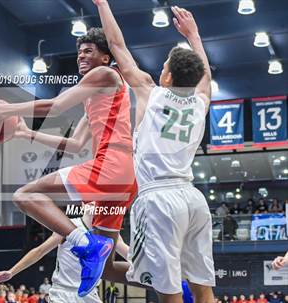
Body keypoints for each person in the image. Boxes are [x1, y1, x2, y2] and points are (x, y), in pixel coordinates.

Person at [0, 26, 137, 295]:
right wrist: (28, 133)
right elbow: (74, 145)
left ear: (105, 58)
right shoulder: (97, 97)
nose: (81, 56)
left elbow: (56, 106)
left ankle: (85, 244)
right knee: (108, 268)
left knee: (25, 195)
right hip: (122, 179)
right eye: (79, 52)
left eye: (89, 51)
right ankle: (169, 282)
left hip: (111, 167)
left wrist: (4, 109)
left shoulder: (105, 75)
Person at [94, 1, 215, 303]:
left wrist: (102, 4)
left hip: (159, 200)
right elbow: (205, 78)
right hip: (193, 199)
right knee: (203, 289)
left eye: (163, 67)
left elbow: (116, 45)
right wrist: (194, 36)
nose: (159, 70)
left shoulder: (150, 91)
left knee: (167, 289)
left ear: (169, 78)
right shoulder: (201, 101)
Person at [0, 206, 129, 303]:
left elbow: (130, 254)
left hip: (89, 294)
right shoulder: (68, 226)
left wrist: (149, 268)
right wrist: (12, 272)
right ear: (83, 204)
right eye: (90, 200)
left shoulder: (107, 231)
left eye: (97, 201)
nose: (93, 204)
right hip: (63, 293)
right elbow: (40, 251)